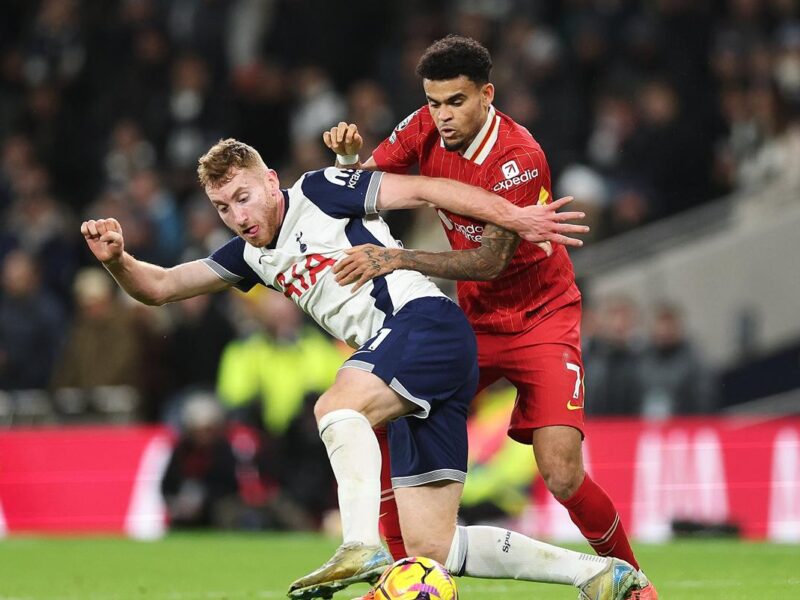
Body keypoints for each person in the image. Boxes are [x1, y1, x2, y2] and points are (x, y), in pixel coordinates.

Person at [81, 138, 645, 600]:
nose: (238, 216)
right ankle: (597, 576)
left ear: (271, 180)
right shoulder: (249, 256)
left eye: (244, 197)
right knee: (435, 549)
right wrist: (119, 262)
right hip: (413, 362)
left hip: (424, 324)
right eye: (223, 207)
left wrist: (513, 216)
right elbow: (159, 288)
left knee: (335, 406)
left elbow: (423, 189)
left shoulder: (322, 191)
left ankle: (359, 544)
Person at [323, 35, 657, 598]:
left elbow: (488, 261)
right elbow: (359, 191)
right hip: (472, 325)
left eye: (455, 101)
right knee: (378, 415)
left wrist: (399, 257)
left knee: (561, 472)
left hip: (541, 319)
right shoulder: (422, 128)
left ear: (487, 95)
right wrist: (347, 160)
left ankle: (633, 583)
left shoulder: (518, 159)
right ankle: (399, 576)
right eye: (433, 102)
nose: (442, 115)